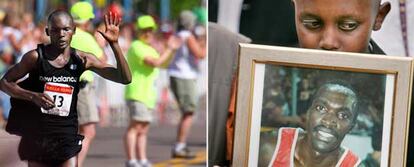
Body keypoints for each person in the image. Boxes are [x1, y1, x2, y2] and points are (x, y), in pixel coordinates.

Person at [0, 10, 131, 167]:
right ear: (48, 32)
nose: (61, 34)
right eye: (55, 30)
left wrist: (115, 45)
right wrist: (32, 96)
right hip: (38, 135)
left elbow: (124, 78)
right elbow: (5, 82)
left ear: (74, 30)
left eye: (66, 29)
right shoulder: (35, 57)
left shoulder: (82, 59)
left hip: (66, 136)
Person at [259, 83, 361, 167]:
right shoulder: (267, 148)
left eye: (343, 115)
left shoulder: (353, 165)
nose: (329, 121)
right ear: (308, 113)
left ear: (351, 126)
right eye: (321, 108)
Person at [123, 15, 179, 167]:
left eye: (150, 30)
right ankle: (131, 159)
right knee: (135, 126)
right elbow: (155, 62)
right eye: (144, 31)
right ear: (138, 31)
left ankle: (141, 158)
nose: (148, 33)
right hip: (137, 92)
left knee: (144, 129)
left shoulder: (149, 47)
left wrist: (171, 51)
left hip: (148, 95)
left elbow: (163, 63)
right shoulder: (137, 46)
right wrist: (169, 49)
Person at [69, 2, 106, 166]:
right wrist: (101, 44)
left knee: (72, 130)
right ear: (85, 21)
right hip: (82, 87)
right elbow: (102, 61)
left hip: (66, 84)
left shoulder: (66, 34)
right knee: (88, 130)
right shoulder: (86, 37)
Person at [168, 10, 206, 159]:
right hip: (184, 76)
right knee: (188, 112)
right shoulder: (187, 36)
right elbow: (200, 54)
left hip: (180, 75)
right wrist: (206, 42)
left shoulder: (179, 35)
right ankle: (180, 146)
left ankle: (180, 145)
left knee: (187, 112)